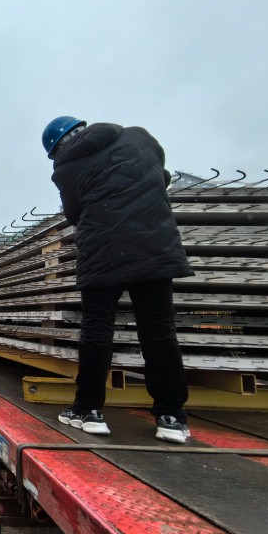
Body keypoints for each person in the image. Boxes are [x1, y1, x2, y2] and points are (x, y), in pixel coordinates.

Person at [43, 116, 194, 443]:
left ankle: (88, 411)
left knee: (97, 330)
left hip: (103, 251)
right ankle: (171, 417)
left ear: (57, 148)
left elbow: (74, 213)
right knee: (159, 331)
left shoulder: (65, 167)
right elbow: (161, 175)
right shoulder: (139, 136)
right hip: (154, 245)